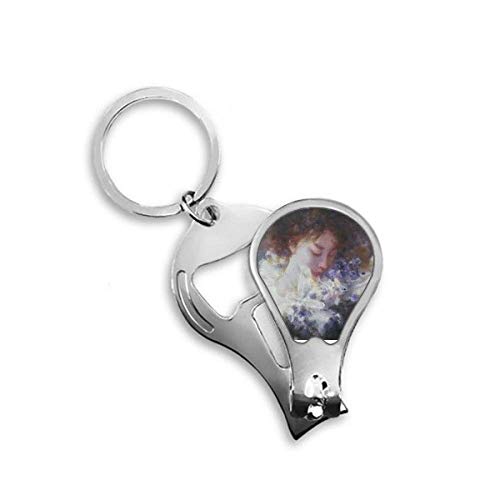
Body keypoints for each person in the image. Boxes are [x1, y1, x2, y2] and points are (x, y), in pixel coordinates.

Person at [258, 209, 372, 341]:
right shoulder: (266, 282)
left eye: (331, 255)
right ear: (293, 244)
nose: (324, 264)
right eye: (316, 252)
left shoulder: (335, 292)